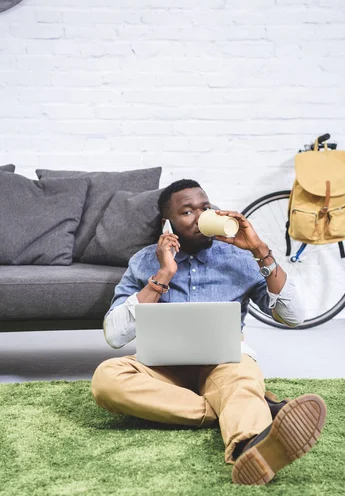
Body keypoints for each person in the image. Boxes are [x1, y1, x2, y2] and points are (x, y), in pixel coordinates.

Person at [91, 179, 327, 486]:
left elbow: (294, 316)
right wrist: (162, 275)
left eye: (205, 208)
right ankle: (243, 407)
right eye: (187, 212)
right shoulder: (145, 261)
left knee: (241, 376)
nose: (201, 217)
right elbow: (114, 334)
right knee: (106, 379)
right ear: (168, 224)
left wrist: (259, 249)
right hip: (162, 369)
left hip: (224, 363)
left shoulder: (240, 257)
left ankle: (251, 448)